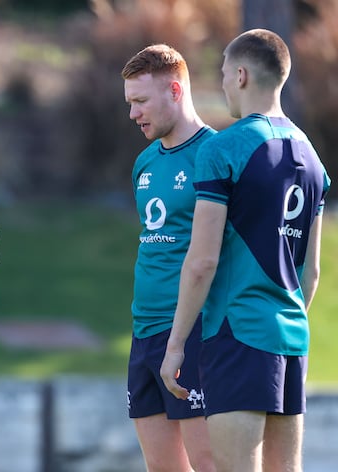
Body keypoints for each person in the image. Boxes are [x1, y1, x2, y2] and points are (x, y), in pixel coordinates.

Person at [160, 29, 330, 472]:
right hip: (292, 339)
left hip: (237, 335)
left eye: (222, 74)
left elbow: (202, 262)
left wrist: (176, 345)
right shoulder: (313, 159)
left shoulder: (222, 149)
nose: (221, 84)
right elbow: (310, 272)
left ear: (240, 75)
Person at [121, 44, 216, 472]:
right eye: (129, 103)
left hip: (195, 333)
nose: (133, 114)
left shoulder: (217, 155)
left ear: (175, 91)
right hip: (144, 333)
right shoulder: (144, 162)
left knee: (209, 464)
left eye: (140, 101)